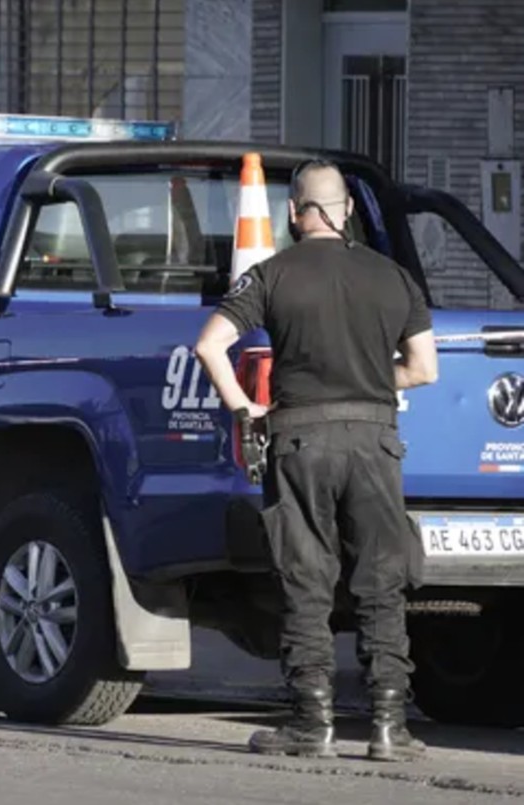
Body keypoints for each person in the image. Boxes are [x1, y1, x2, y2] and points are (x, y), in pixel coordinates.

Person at [194, 159, 439, 762]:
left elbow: (209, 345)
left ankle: (311, 722)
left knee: (307, 579)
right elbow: (425, 369)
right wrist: (369, 379)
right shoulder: (394, 278)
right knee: (381, 581)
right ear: (348, 209)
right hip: (376, 440)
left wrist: (244, 407)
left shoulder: (273, 275)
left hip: (301, 440)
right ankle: (388, 726)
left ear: (294, 214)